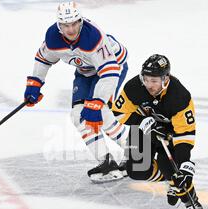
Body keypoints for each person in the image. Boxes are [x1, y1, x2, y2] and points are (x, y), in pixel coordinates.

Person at [23, 1, 129, 183]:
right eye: (65, 25)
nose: (71, 29)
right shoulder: (52, 38)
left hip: (111, 69)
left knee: (100, 112)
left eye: (74, 24)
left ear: (80, 21)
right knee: (78, 116)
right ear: (59, 25)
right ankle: (106, 161)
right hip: (85, 72)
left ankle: (137, 152)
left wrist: (97, 103)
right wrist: (35, 84)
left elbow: (110, 71)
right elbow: (43, 58)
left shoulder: (93, 38)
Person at [111, 54, 208, 209]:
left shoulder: (179, 96)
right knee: (137, 171)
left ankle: (192, 203)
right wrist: (141, 122)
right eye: (146, 79)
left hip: (170, 136)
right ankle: (170, 179)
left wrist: (184, 164)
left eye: (154, 80)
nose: (149, 85)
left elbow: (184, 135)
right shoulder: (134, 87)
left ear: (166, 79)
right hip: (143, 129)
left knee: (179, 173)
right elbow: (118, 112)